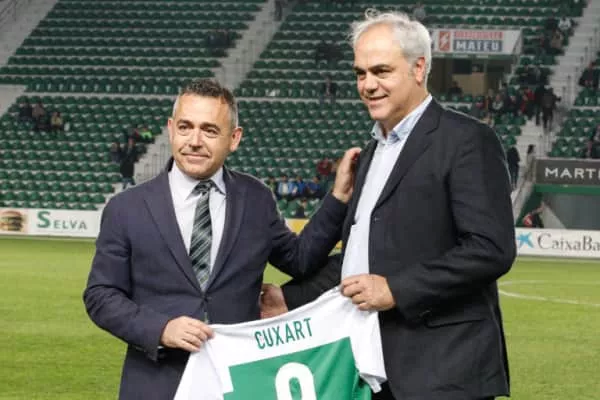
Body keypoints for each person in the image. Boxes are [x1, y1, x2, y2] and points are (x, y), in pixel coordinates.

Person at [260, 10, 515, 400]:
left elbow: (491, 249)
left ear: (418, 68)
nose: (368, 85)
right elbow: (363, 258)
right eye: (360, 73)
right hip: (376, 367)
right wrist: (289, 298)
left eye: (381, 71)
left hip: (446, 372)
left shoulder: (467, 139)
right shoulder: (371, 153)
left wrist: (396, 288)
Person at [83, 78, 355, 400]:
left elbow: (299, 259)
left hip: (240, 383)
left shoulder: (256, 198)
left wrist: (338, 198)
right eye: (185, 127)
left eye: (210, 130)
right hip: (157, 384)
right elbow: (101, 295)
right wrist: (161, 329)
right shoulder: (126, 208)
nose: (194, 141)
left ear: (234, 138)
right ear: (171, 129)